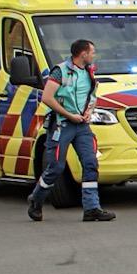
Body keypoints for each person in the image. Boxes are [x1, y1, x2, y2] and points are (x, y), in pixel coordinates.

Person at [26, 38, 116, 223]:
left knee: (90, 164)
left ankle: (92, 208)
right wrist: (69, 115)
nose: (94, 55)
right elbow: (47, 98)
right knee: (56, 167)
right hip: (62, 125)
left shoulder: (90, 72)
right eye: (92, 52)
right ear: (83, 54)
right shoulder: (60, 72)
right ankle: (36, 199)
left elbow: (92, 96)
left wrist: (89, 112)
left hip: (82, 126)